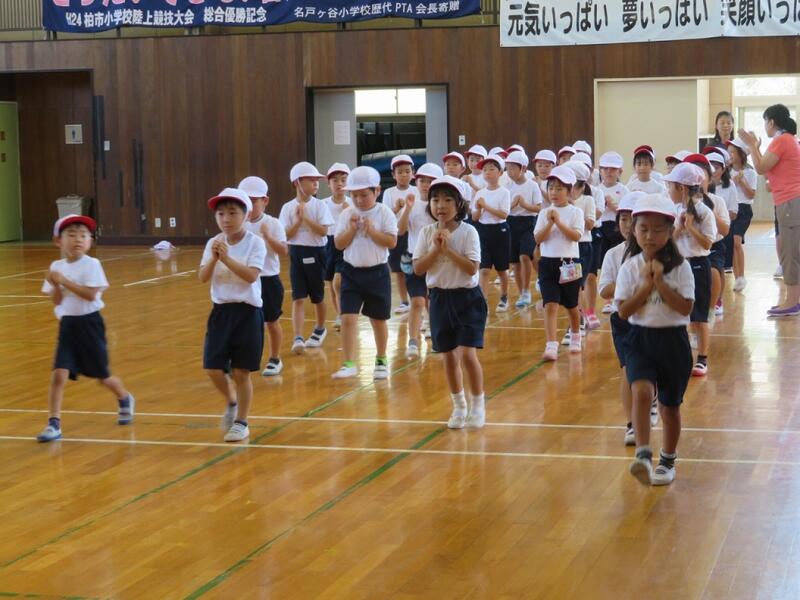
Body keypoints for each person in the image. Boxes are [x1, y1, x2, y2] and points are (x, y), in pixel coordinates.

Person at [615, 194, 694, 486]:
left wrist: (660, 282)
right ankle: (643, 454)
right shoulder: (630, 267)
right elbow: (624, 311)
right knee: (641, 392)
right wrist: (647, 285)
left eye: (658, 230)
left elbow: (685, 308)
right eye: (644, 229)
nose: (650, 236)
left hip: (673, 341)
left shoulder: (681, 267)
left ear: (670, 232)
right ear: (634, 231)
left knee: (670, 408)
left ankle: (668, 459)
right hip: (640, 339)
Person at [37, 215, 135, 443]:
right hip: (68, 326)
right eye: (71, 235)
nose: (78, 239)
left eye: (83, 235)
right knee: (59, 374)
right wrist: (55, 284)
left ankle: (124, 397)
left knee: (102, 376)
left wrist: (64, 281)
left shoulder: (92, 264)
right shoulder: (56, 267)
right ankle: (54, 423)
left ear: (90, 241)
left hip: (90, 324)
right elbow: (57, 301)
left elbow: (91, 295)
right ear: (58, 241)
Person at [413, 176, 487, 429]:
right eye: (435, 200)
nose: (440, 205)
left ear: (460, 204)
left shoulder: (468, 232)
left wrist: (448, 250)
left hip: (467, 299)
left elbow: (472, 268)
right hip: (439, 299)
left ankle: (478, 405)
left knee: (467, 353)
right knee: (447, 357)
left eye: (447, 200)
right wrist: (436, 249)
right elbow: (418, 269)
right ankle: (459, 406)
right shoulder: (426, 233)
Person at [199, 188, 267, 442]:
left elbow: (251, 276)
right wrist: (214, 258)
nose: (226, 219)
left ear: (246, 215)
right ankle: (231, 401)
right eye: (220, 214)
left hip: (247, 313)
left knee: (241, 372)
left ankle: (242, 421)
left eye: (232, 213)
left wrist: (226, 259)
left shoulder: (255, 243)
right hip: (221, 312)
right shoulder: (213, 243)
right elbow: (202, 277)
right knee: (212, 367)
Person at [331, 166, 398, 379]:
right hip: (351, 273)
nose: (359, 200)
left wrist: (371, 230)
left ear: (377, 191)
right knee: (347, 318)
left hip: (377, 274)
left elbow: (391, 242)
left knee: (378, 320)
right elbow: (339, 244)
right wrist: (352, 229)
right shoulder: (347, 214)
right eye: (354, 195)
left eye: (364, 195)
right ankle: (349, 363)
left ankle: (381, 359)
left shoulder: (384, 213)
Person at [739, 104, 800, 317]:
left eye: (765, 121)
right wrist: (755, 148)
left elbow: (760, 168)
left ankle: (792, 302)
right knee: (790, 250)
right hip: (790, 202)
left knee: (790, 253)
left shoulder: (782, 140)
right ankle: (793, 300)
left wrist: (752, 145)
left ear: (771, 122)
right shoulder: (787, 140)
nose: (765, 125)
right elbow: (768, 171)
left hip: (790, 202)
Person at [598, 191, 649, 446]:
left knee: (650, 372)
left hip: (652, 318)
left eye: (633, 219)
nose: (627, 225)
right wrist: (630, 283)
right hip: (624, 319)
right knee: (628, 370)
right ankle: (631, 424)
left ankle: (649, 404)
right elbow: (604, 290)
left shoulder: (658, 253)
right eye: (623, 219)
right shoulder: (613, 254)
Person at [665, 162, 717, 377]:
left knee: (698, 316)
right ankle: (680, 355)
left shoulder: (705, 212)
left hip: (698, 265)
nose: (669, 190)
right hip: (678, 265)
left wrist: (690, 228)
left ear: (682, 188)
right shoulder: (675, 210)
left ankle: (702, 358)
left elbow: (707, 244)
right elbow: (668, 241)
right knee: (677, 313)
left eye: (671, 186)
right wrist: (679, 227)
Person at [279, 162, 334, 353]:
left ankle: (320, 328)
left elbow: (323, 232)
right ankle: (298, 337)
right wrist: (297, 221)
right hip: (296, 252)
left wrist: (306, 218)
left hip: (316, 253)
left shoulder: (320, 205)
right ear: (297, 183)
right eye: (311, 180)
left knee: (317, 296)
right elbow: (285, 235)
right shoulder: (287, 208)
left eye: (317, 180)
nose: (316, 184)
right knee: (298, 296)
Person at [534, 165, 584, 360]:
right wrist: (550, 223)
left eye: (559, 188)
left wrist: (558, 222)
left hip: (569, 263)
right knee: (550, 304)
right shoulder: (544, 213)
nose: (554, 192)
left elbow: (576, 236)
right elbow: (538, 239)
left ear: (569, 190)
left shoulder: (575, 212)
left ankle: (576, 335)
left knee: (572, 305)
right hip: (547, 263)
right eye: (551, 188)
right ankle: (551, 344)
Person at [240, 176, 288, 377]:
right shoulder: (239, 224)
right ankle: (243, 359)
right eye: (245, 201)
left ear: (265, 201)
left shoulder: (273, 223)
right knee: (245, 322)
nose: (249, 206)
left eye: (254, 200)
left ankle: (275, 358)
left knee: (271, 321)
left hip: (268, 279)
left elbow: (283, 250)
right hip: (247, 280)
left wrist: (267, 236)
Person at [398, 162, 442, 358]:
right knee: (417, 301)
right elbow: (400, 230)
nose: (425, 185)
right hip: (414, 259)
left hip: (436, 260)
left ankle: (434, 329)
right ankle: (413, 340)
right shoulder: (412, 203)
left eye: (430, 181)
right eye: (422, 181)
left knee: (433, 300)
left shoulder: (440, 206)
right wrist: (407, 209)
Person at [472, 155, 511, 312]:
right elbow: (475, 217)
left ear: (500, 172)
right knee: (484, 269)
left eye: (491, 169)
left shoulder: (504, 192)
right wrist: (479, 208)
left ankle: (504, 296)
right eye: (485, 169)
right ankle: (483, 300)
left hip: (500, 231)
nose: (487, 172)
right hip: (483, 231)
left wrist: (485, 206)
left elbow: (504, 214)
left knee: (501, 270)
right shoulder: (480, 193)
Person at [505, 150, 542, 308]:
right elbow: (504, 209)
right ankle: (522, 293)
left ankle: (527, 289)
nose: (510, 172)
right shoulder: (507, 187)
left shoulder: (532, 185)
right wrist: (513, 204)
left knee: (525, 256)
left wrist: (524, 204)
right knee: (515, 262)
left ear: (524, 168)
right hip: (511, 223)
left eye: (513, 168)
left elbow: (539, 208)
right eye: (508, 168)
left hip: (528, 223)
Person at [383, 155, 416, 315]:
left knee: (415, 269)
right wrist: (396, 208)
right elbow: (384, 214)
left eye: (407, 171)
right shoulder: (389, 192)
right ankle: (404, 301)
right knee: (399, 270)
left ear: (413, 173)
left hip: (413, 234)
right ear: (393, 174)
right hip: (396, 235)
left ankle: (417, 298)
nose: (404, 175)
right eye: (400, 172)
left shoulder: (416, 190)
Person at [321, 163, 351, 331]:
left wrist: (349, 211)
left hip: (344, 243)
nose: (339, 184)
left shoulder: (352, 203)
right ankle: (339, 314)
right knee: (331, 283)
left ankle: (344, 314)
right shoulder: (323, 204)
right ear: (328, 183)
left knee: (338, 282)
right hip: (327, 244)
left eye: (343, 180)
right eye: (335, 180)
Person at [726, 137, 757, 291]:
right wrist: (732, 180)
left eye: (733, 152)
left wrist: (742, 181)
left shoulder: (750, 172)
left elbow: (751, 194)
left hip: (744, 209)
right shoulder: (726, 171)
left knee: (737, 241)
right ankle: (737, 278)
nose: (730, 155)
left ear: (741, 153)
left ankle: (742, 276)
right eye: (729, 152)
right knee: (732, 244)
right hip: (731, 209)